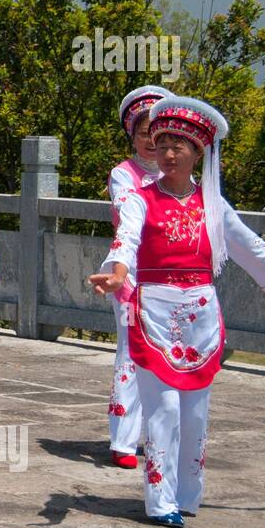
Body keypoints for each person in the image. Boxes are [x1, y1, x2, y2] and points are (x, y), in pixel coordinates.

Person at [90, 97, 265, 527]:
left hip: (200, 318)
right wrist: (118, 272)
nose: (167, 153)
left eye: (177, 145)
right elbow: (125, 239)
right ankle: (159, 500)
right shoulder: (140, 199)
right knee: (162, 410)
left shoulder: (214, 206)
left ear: (199, 151)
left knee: (195, 414)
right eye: (161, 144)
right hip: (154, 315)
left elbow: (256, 251)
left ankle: (187, 495)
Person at [105, 84, 173, 468]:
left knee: (163, 356)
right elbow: (131, 217)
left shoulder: (178, 172)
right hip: (129, 271)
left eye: (157, 132)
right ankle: (123, 439)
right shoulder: (123, 174)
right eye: (143, 132)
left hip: (169, 277)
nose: (151, 140)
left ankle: (156, 433)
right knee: (130, 352)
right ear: (132, 134)